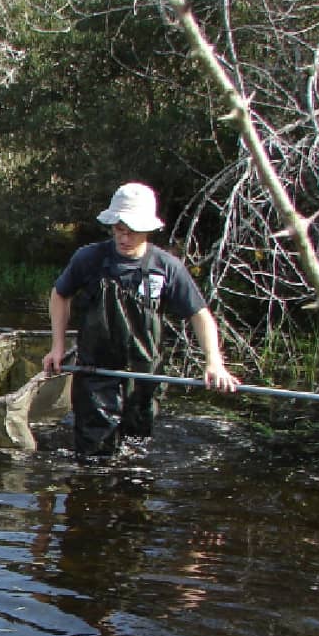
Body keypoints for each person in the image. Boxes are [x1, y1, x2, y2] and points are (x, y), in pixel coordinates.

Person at [42, 181, 240, 456]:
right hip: (95, 374)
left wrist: (214, 362)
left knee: (136, 453)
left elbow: (200, 314)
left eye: (132, 232)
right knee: (94, 457)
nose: (124, 239)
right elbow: (59, 295)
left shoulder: (166, 267)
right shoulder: (88, 259)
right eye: (119, 230)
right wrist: (57, 347)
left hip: (144, 374)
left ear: (148, 230)